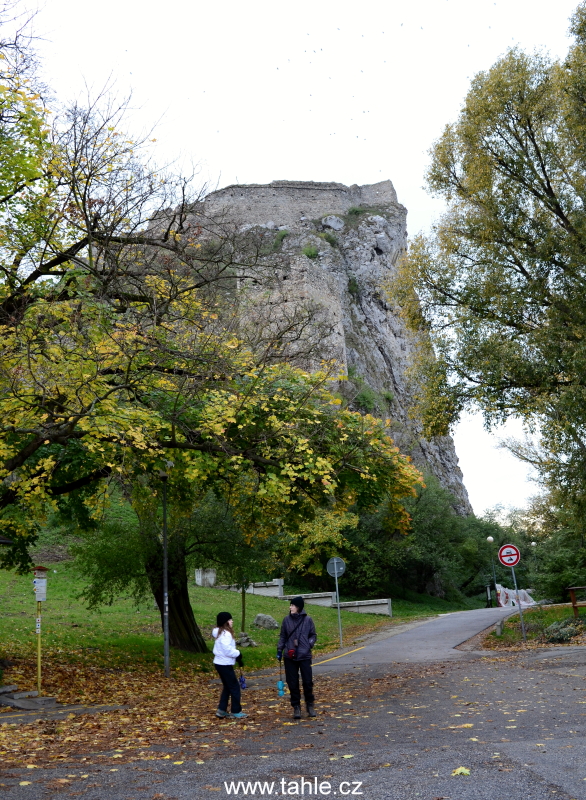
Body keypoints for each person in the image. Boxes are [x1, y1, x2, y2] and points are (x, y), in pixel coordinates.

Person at [277, 596, 317, 719]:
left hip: (304, 655)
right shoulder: (286, 620)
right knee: (292, 682)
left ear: (298, 607)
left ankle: (310, 705)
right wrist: (279, 649)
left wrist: (308, 644)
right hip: (290, 655)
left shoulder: (308, 620)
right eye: (290, 605)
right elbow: (283, 636)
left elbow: (313, 635)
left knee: (307, 681)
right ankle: (296, 707)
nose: (290, 607)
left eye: (292, 605)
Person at [212, 611, 247, 719]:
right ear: (226, 622)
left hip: (219, 663)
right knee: (234, 687)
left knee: (227, 686)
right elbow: (227, 650)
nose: (232, 621)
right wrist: (238, 654)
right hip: (224, 664)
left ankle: (221, 710)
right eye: (230, 620)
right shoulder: (226, 634)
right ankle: (236, 710)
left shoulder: (218, 633)